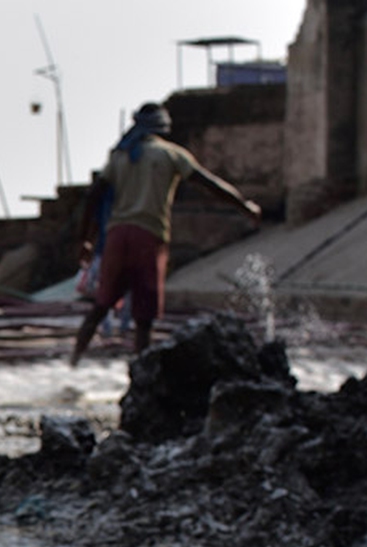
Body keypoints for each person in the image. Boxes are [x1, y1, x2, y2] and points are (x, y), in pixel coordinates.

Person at [70, 102, 262, 365]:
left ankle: (73, 363)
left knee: (101, 306)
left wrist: (86, 240)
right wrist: (245, 207)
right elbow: (209, 184)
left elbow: (93, 196)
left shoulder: (120, 156)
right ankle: (141, 375)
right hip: (148, 235)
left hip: (117, 235)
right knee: (143, 318)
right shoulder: (170, 154)